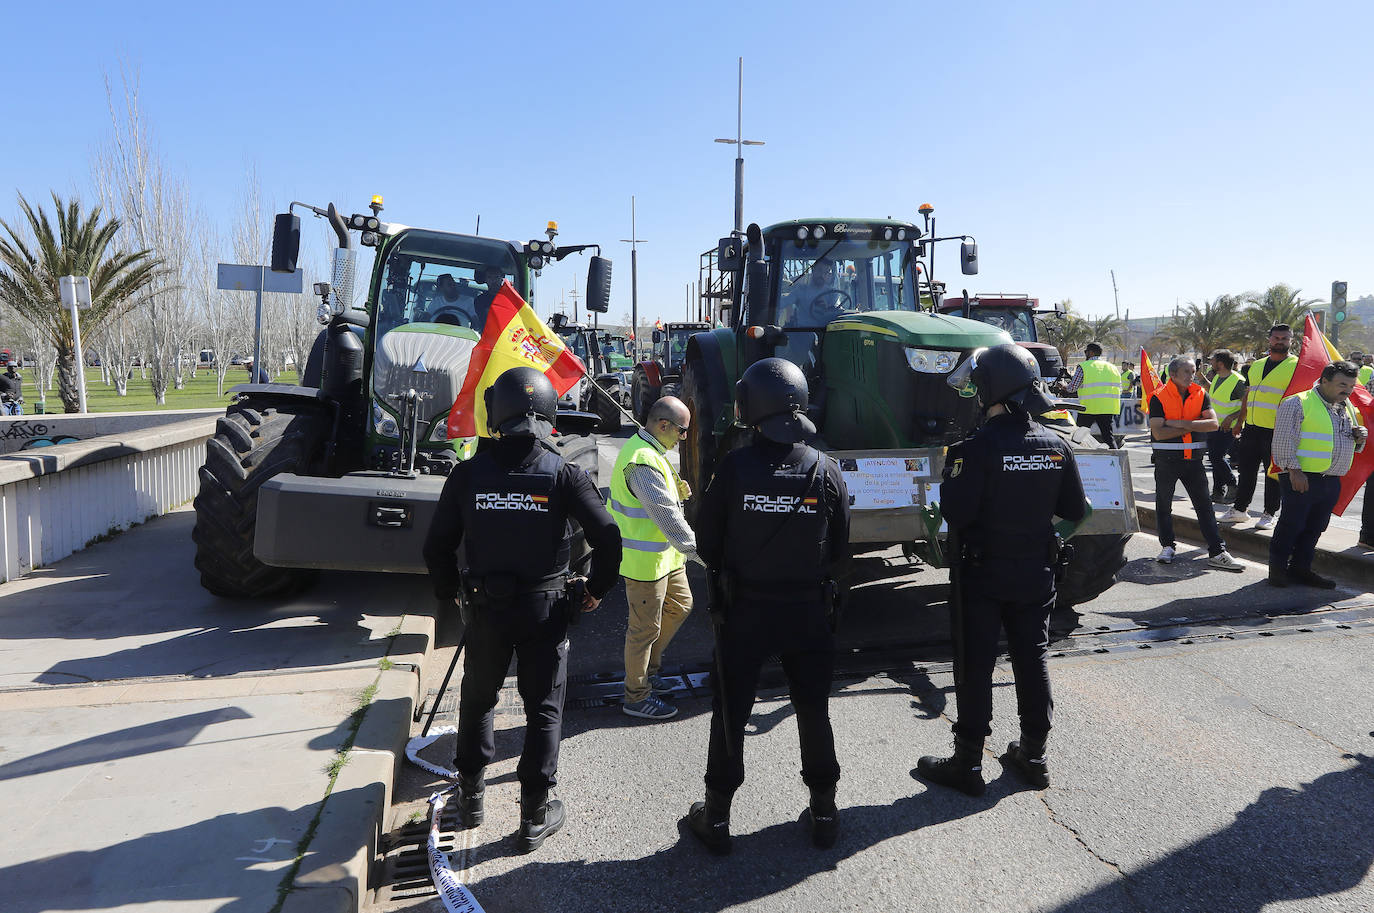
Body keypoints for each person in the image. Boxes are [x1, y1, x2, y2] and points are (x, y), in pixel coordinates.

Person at [422, 366, 623, 853]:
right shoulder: (564, 473)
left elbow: (436, 547)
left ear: (497, 414)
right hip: (545, 610)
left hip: (485, 610)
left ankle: (470, 797)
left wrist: (450, 591)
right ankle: (534, 812)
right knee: (543, 709)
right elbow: (608, 537)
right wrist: (596, 588)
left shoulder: (468, 474)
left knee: (478, 699)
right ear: (549, 413)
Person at [687, 357, 850, 854]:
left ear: (749, 407)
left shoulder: (733, 469)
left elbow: (708, 546)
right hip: (808, 612)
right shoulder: (826, 468)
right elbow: (842, 548)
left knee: (731, 712)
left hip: (745, 614)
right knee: (812, 710)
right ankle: (824, 811)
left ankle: (716, 818)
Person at [915, 344, 1087, 797]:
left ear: (987, 389)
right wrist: (1045, 537)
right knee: (1033, 657)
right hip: (1036, 571)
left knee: (976, 663)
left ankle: (968, 761)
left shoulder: (970, 450)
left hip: (981, 574)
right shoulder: (1057, 446)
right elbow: (1077, 511)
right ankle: (1034, 755)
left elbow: (956, 513)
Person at [608, 395, 700, 721]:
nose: (684, 437)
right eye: (682, 430)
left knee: (681, 605)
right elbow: (666, 518)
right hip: (644, 564)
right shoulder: (642, 461)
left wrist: (678, 489)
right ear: (664, 425)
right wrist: (704, 555)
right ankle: (636, 696)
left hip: (665, 558)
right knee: (644, 631)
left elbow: (664, 501)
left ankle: (650, 671)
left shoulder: (652, 451)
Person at [1268, 361, 1367, 588]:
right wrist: (1294, 471)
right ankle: (1278, 570)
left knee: (1316, 526)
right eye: (1342, 384)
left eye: (1351, 386)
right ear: (1324, 380)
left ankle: (1301, 569)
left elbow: (1341, 441)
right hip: (1302, 476)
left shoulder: (1345, 407)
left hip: (1331, 479)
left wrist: (1358, 437)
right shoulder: (1297, 403)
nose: (1348, 390)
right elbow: (1283, 441)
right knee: (1292, 524)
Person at [1148, 357, 1245, 571]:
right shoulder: (1158, 397)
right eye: (1186, 371)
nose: (1192, 375)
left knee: (1204, 507)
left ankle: (1217, 551)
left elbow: (1212, 424)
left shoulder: (1201, 394)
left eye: (1194, 371)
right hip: (1166, 461)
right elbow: (1159, 432)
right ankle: (1167, 547)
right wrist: (1193, 426)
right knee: (1163, 506)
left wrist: (1181, 423)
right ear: (1172, 375)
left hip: (1194, 461)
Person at [1220, 325, 1299, 530]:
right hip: (1252, 427)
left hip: (1277, 429)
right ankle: (1239, 510)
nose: (1280, 341)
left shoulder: (1297, 366)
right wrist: (1240, 422)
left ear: (1291, 341)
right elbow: (1248, 395)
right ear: (1269, 339)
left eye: (1284, 338)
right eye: (1276, 337)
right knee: (1246, 471)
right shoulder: (1256, 365)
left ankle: (1269, 513)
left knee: (1273, 474)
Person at [1206, 349, 1246, 503]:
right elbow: (1215, 394)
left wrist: (1232, 418)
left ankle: (1232, 484)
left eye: (1213, 360)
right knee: (1216, 457)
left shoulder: (1238, 381)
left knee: (1216, 456)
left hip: (1229, 426)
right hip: (1215, 425)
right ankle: (1217, 491)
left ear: (1220, 364)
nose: (1211, 362)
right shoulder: (1218, 377)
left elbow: (1248, 404)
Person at [1066, 342, 1121, 447]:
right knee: (1108, 436)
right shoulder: (1113, 368)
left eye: (1086, 352)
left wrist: (1064, 387)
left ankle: (1079, 459)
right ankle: (1115, 457)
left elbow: (1072, 388)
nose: (1085, 354)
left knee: (1078, 436)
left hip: (1088, 407)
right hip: (1107, 408)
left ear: (1090, 352)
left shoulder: (1084, 367)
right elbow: (1119, 388)